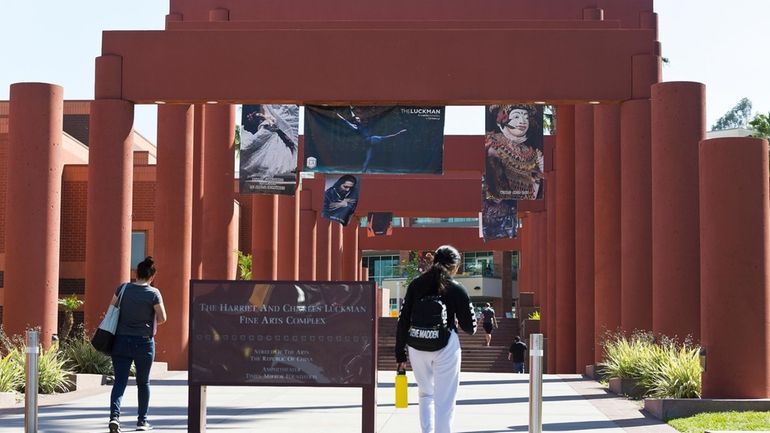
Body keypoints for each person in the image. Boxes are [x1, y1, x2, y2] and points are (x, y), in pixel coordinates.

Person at [395, 245, 477, 433]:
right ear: (455, 266)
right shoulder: (456, 288)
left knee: (425, 394)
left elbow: (403, 320)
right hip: (445, 346)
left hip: (416, 345)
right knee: (445, 399)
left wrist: (400, 354)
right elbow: (470, 327)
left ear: (434, 261)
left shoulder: (416, 284)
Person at [108, 257, 167, 433]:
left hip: (120, 341)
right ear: (152, 276)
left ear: (136, 273)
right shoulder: (154, 293)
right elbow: (163, 318)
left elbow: (112, 309)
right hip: (144, 342)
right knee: (143, 382)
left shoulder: (123, 288)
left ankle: (114, 418)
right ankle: (142, 421)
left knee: (120, 381)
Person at [485, 104, 544, 200]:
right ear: (502, 119)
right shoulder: (491, 143)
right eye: (516, 116)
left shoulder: (533, 154)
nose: (522, 121)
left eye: (526, 117)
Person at [336, 107, 407, 172]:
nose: (359, 119)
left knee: (369, 158)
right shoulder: (355, 127)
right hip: (369, 140)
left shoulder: (362, 124)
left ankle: (363, 171)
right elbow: (345, 121)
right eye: (357, 119)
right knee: (383, 138)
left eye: (359, 119)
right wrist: (339, 115)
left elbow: (354, 116)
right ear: (355, 121)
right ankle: (398, 133)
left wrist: (351, 109)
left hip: (371, 141)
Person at [240, 104, 299, 180]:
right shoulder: (266, 107)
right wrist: (262, 116)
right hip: (271, 123)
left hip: (279, 124)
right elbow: (264, 112)